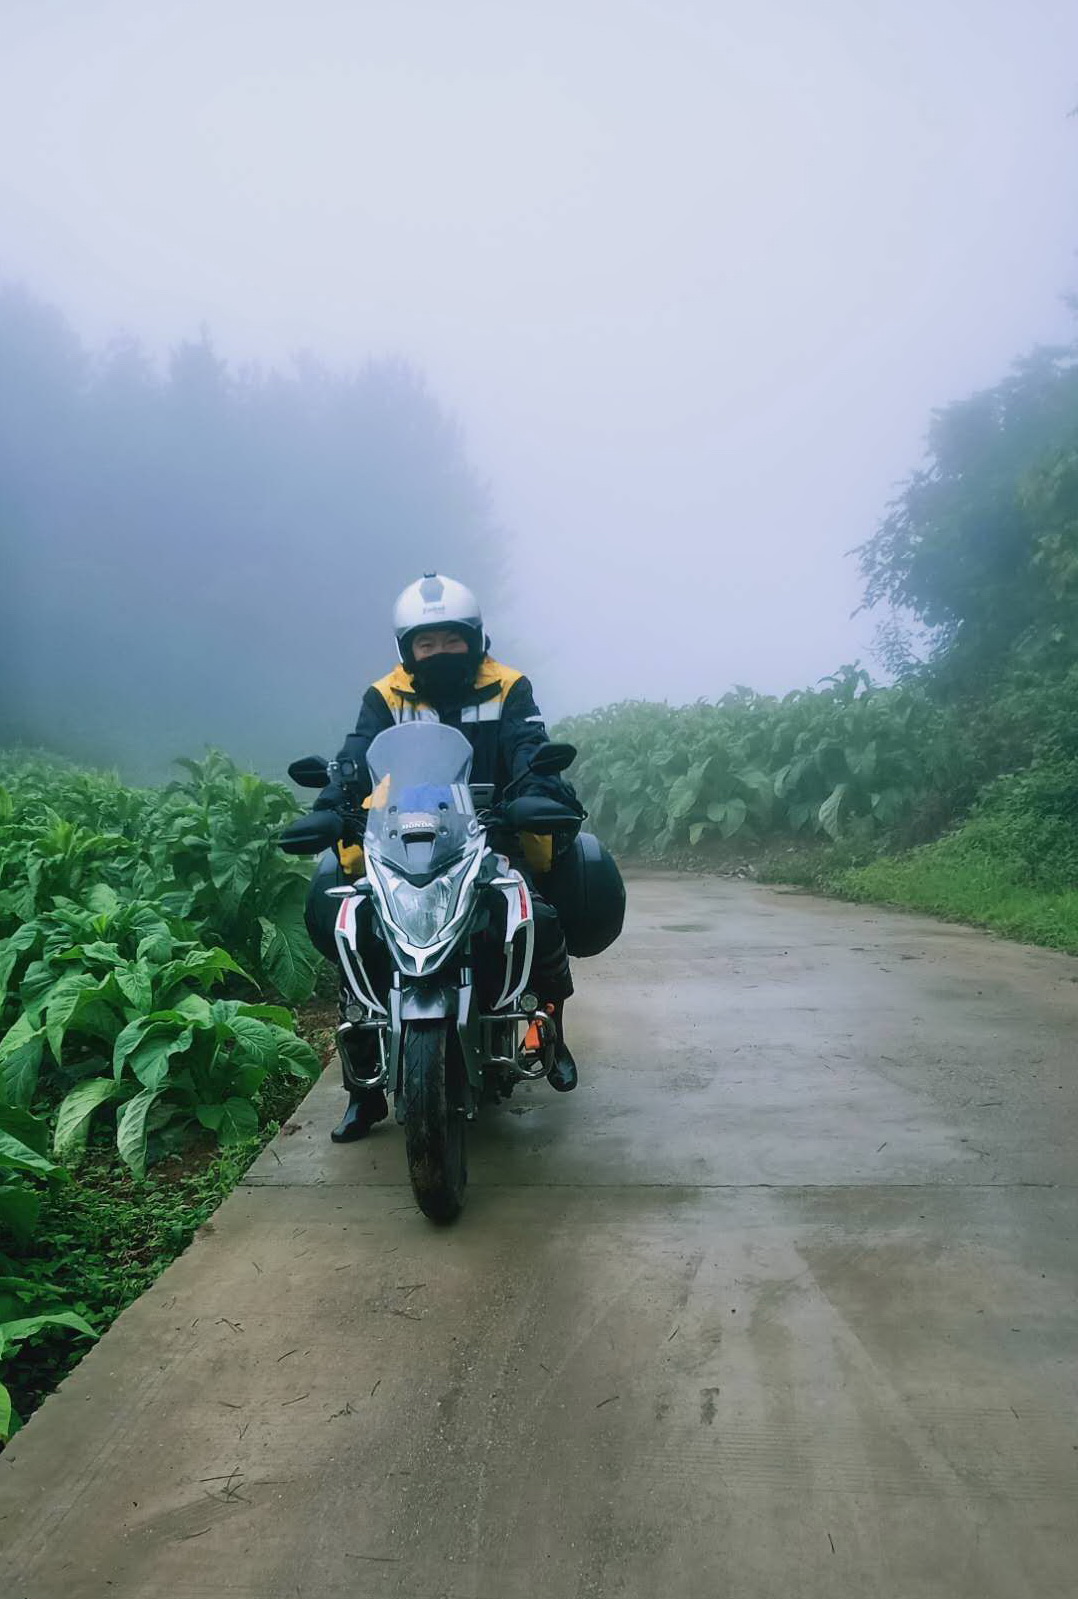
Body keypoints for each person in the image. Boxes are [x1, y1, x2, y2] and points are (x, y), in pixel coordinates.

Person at [306, 572, 583, 1142]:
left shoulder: (509, 687)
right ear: (407, 649)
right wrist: (334, 799)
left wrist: (535, 796)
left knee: (536, 916)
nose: (439, 653)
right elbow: (356, 757)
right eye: (425, 644)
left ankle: (549, 1026)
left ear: (474, 638)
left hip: (490, 831)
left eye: (451, 640)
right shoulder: (384, 696)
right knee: (359, 929)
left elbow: (528, 748)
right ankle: (364, 1092)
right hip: (403, 836)